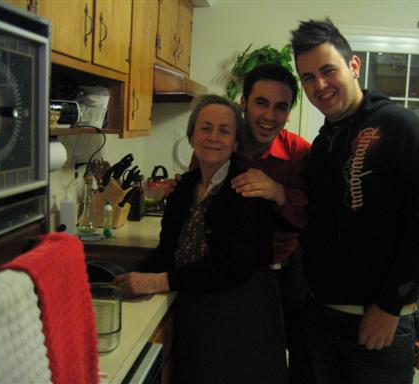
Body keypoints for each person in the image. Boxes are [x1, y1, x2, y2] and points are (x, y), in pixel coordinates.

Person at [289, 18, 419, 384]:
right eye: (308, 77)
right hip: (321, 319)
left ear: (354, 66)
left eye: (328, 70)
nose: (320, 85)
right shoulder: (323, 144)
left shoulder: (400, 128)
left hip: (378, 325)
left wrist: (390, 305)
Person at [114, 95, 288, 384]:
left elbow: (234, 265)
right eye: (205, 128)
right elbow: (168, 250)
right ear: (192, 135)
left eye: (224, 131)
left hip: (242, 313)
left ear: (235, 142)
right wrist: (124, 281)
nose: (213, 138)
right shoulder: (184, 189)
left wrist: (158, 281)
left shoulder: (248, 186)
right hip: (197, 305)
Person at [188, 64, 312, 381]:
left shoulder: (300, 153)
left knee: (295, 366)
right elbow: (195, 203)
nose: (269, 115)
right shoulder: (218, 142)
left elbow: (312, 218)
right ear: (244, 102)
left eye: (280, 107)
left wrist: (279, 193)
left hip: (289, 273)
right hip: (232, 276)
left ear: (288, 113)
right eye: (261, 102)